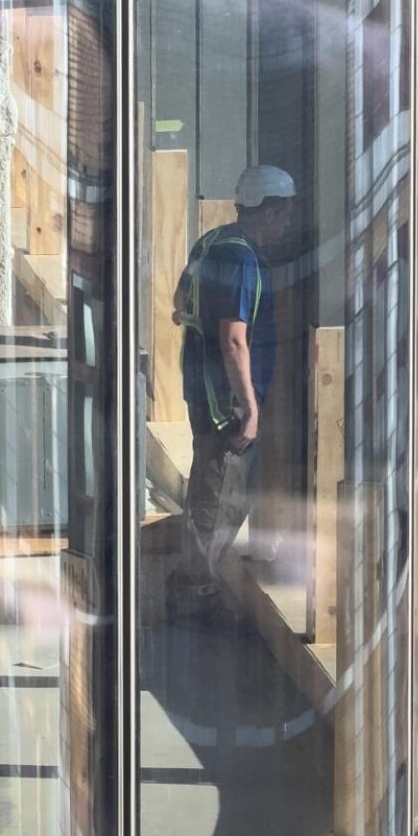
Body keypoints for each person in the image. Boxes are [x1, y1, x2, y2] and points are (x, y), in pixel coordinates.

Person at [169, 164, 296, 618]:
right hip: (226, 401)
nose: (286, 224)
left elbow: (179, 303)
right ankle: (193, 593)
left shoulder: (212, 242)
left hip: (200, 388)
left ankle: (193, 581)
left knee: (210, 484)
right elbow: (234, 338)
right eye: (282, 214)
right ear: (265, 212)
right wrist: (249, 407)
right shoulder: (242, 259)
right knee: (221, 495)